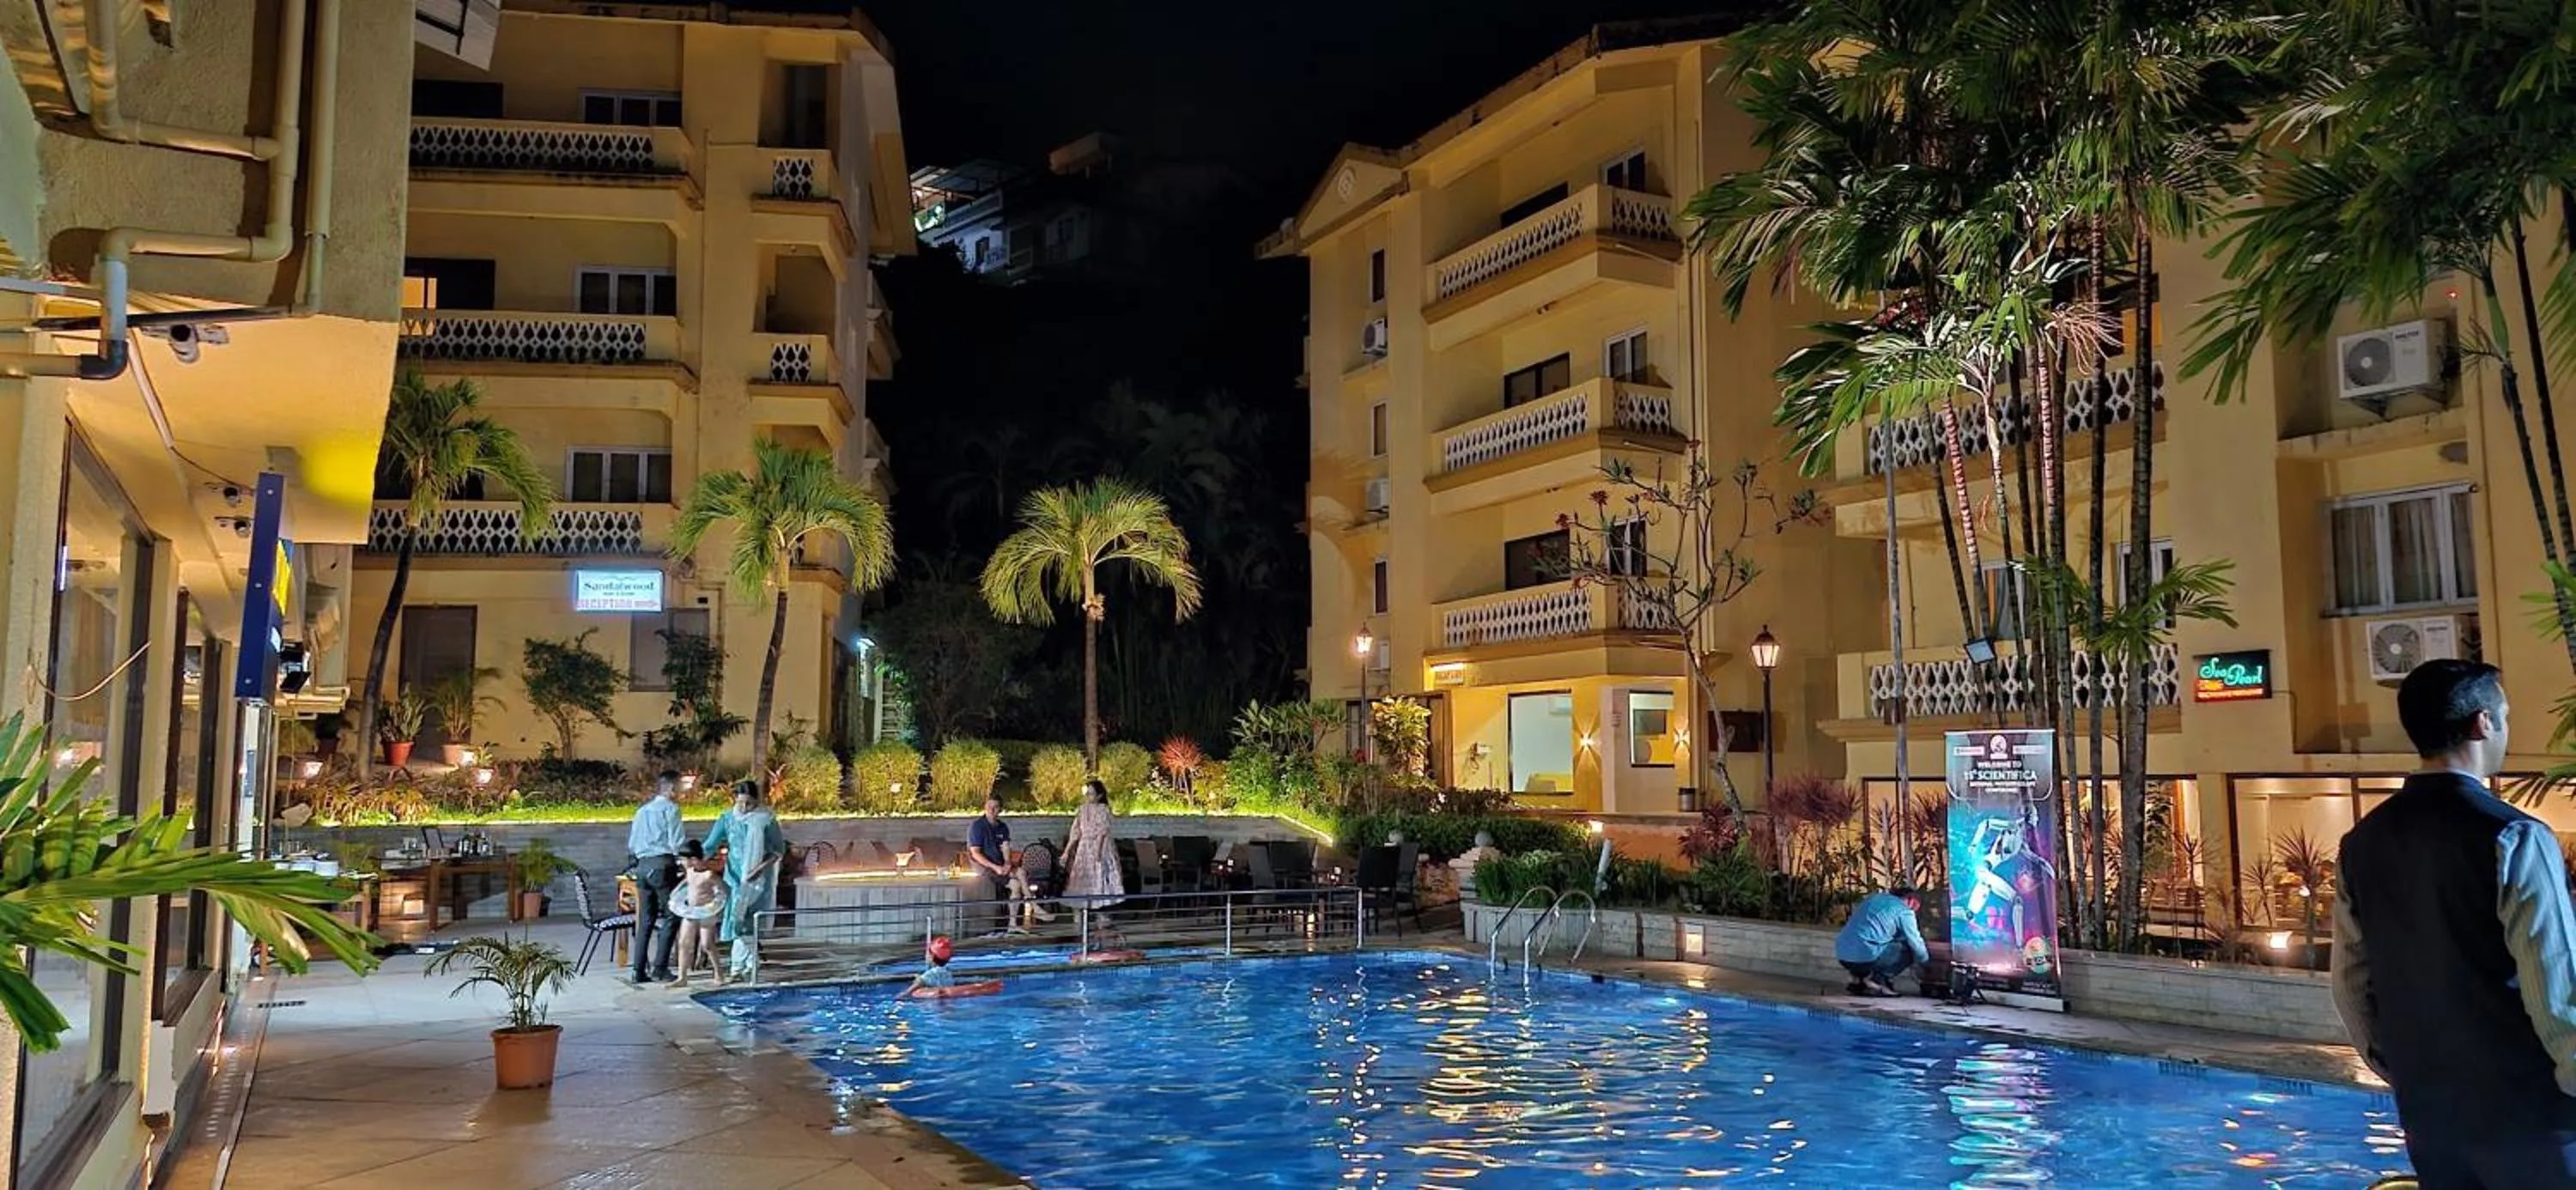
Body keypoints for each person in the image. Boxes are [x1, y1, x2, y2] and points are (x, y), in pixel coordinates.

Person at [2336, 659, 2576, 1187]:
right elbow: (2557, 992)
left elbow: (2351, 986)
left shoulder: (2362, 842)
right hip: (2532, 1117)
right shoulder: (2513, 837)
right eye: (2506, 716)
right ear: (2482, 723)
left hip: (2432, 1115)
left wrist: (2406, 1070)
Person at [702, 780, 787, 981]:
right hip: (734, 880)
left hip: (758, 880)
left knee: (750, 922)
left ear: (757, 801)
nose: (744, 807)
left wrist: (759, 869)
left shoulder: (765, 819)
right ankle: (746, 966)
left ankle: (741, 968)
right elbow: (710, 845)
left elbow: (778, 851)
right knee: (737, 922)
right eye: (741, 803)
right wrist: (693, 861)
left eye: (749, 803)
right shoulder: (727, 819)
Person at [624, 769, 685, 984]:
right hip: (662, 866)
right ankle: (660, 967)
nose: (681, 791)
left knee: (646, 920)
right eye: (679, 786)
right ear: (670, 788)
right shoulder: (671, 809)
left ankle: (638, 970)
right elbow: (676, 842)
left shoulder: (643, 811)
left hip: (642, 868)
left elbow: (632, 844)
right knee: (673, 914)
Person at [1835, 884, 1929, 997]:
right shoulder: (1904, 911)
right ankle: (1878, 981)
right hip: (1866, 956)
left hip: (1842, 954)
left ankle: (1857, 980)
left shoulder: (1874, 898)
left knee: (1870, 941)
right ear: (1912, 901)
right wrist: (1926, 962)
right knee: (1908, 949)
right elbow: (1915, 942)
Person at [1060, 779, 1126, 933]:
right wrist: (1067, 851)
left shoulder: (1103, 809)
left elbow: (1103, 832)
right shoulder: (1082, 810)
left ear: (1099, 795)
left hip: (1099, 847)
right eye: (1087, 793)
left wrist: (1098, 853)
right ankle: (1080, 911)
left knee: (1099, 881)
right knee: (1081, 880)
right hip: (1084, 846)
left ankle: (1100, 914)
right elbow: (1075, 832)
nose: (1088, 797)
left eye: (1091, 794)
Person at [666, 839, 728, 988]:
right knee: (683, 943)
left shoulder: (709, 875)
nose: (681, 862)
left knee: (707, 944)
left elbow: (722, 890)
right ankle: (682, 977)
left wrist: (715, 904)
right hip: (690, 911)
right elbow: (688, 881)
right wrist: (676, 892)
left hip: (706, 911)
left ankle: (719, 973)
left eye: (683, 859)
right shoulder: (690, 871)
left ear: (693, 859)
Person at [967, 798, 1015, 932]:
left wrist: (1007, 863)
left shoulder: (1002, 827)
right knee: (1016, 883)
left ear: (1000, 809)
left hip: (1000, 865)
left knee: (1020, 877)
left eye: (996, 807)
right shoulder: (977, 826)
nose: (992, 810)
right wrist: (995, 867)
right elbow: (975, 853)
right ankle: (1033, 908)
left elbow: (1006, 847)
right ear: (985, 807)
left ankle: (1013, 924)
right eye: (989, 806)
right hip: (985, 867)